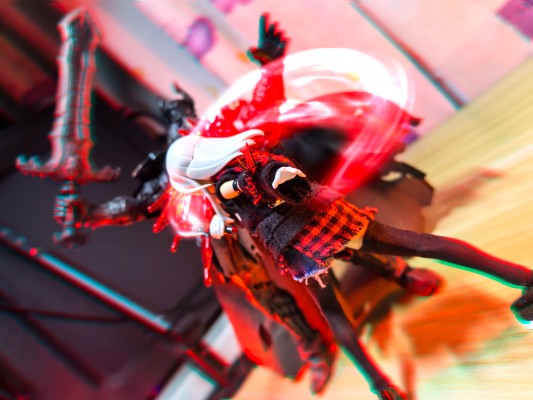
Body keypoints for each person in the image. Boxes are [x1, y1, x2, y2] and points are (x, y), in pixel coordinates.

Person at [165, 129, 533, 400]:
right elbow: (250, 184)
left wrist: (277, 180)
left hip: (306, 241)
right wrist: (227, 214)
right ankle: (524, 280)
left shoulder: (232, 177)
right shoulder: (227, 177)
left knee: (345, 305)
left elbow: (256, 178)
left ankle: (381, 385)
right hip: (316, 229)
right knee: (416, 249)